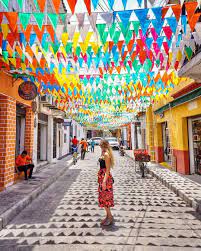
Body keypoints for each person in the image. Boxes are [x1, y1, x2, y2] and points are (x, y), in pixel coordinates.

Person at [98, 140, 114, 226]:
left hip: (105, 179)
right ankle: (107, 216)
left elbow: (108, 170)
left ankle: (110, 217)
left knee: (106, 198)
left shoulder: (107, 155)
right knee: (103, 198)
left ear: (103, 145)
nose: (99, 146)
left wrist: (104, 182)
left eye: (100, 145)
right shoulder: (104, 153)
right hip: (102, 178)